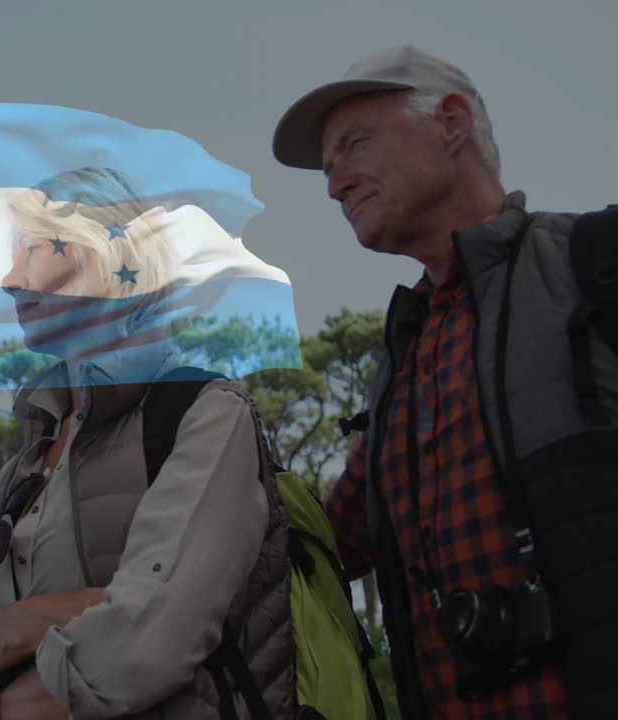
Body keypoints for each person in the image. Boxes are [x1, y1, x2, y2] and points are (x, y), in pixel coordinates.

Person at [272, 44, 618, 718]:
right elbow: (326, 547)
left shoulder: (595, 266)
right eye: (329, 167)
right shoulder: (401, 365)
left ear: (453, 122)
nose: (336, 183)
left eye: (355, 145)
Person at [0, 166, 296, 719]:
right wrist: (49, 616)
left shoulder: (203, 414)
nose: (8, 278)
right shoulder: (19, 472)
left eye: (32, 250)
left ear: (103, 254)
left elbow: (141, 650)